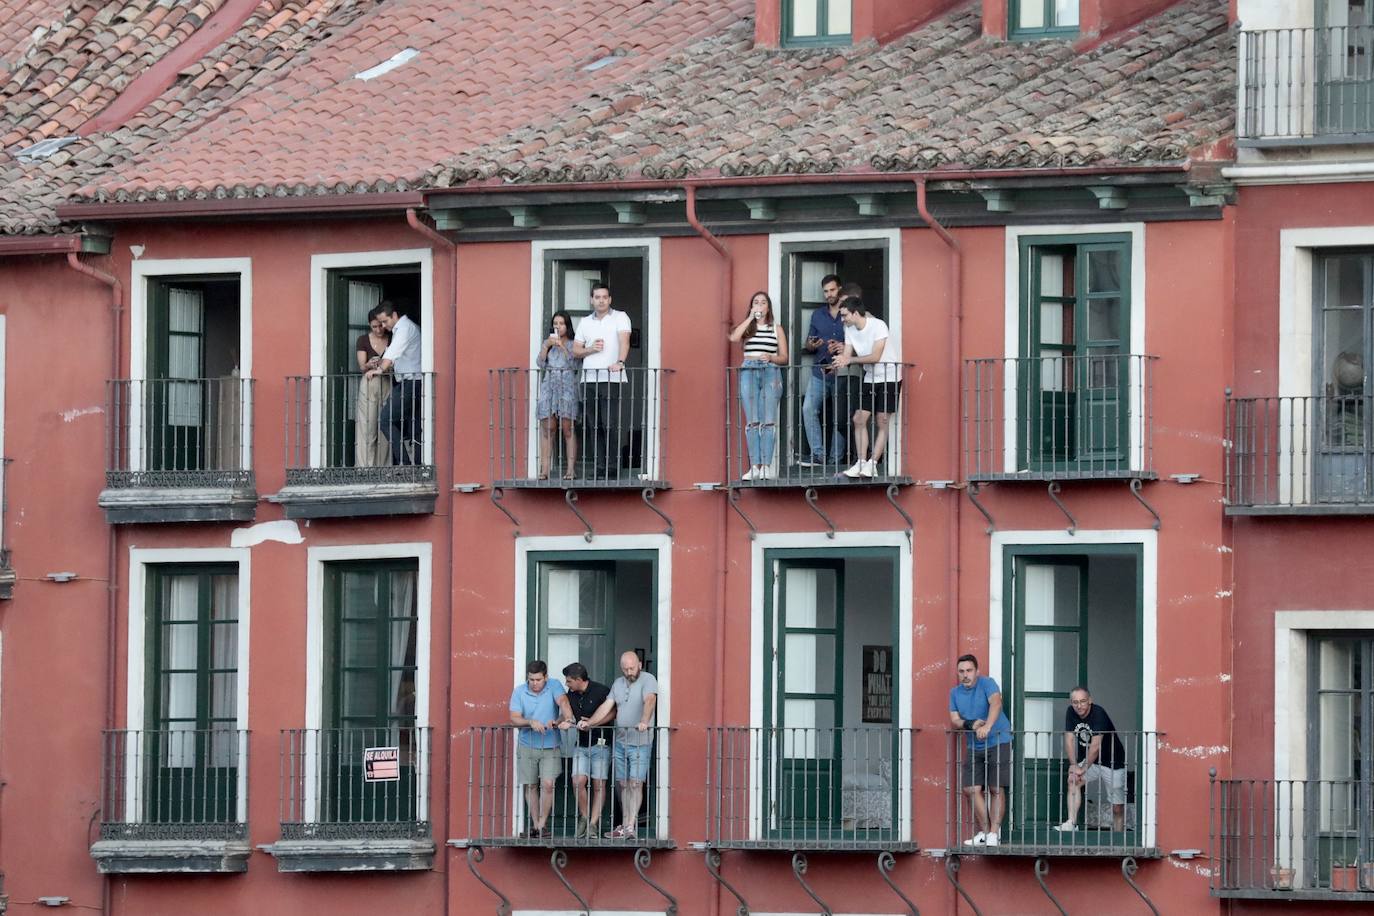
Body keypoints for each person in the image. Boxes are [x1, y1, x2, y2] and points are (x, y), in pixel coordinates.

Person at [833, 297, 902, 479]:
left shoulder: (878, 325)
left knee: (882, 420)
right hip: (870, 377)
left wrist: (850, 360)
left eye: (845, 315)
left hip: (890, 376)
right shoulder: (848, 329)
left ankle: (873, 463)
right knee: (859, 418)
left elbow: (876, 356)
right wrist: (839, 361)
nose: (843, 319)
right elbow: (847, 354)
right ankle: (861, 462)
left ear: (855, 313)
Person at [948, 653, 1013, 847]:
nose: (965, 675)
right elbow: (955, 719)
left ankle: (994, 833)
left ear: (977, 671)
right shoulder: (955, 693)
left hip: (998, 740)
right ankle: (985, 831)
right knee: (971, 789)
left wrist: (987, 726)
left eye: (969, 670)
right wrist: (971, 724)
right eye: (961, 671)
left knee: (995, 788)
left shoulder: (987, 683)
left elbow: (996, 703)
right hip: (974, 745)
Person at [508, 660, 573, 839]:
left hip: (550, 745)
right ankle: (537, 826)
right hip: (527, 745)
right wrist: (530, 722)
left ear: (546, 677)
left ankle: (542, 824)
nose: (534, 683)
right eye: (531, 680)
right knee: (531, 785)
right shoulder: (519, 691)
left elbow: (564, 703)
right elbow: (514, 718)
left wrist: (566, 719)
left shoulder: (554, 685)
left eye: (538, 679)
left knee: (548, 784)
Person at [572, 284, 632, 479]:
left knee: (610, 424)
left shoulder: (620, 317)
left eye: (604, 297)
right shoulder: (584, 322)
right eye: (597, 297)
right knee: (593, 425)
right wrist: (591, 349)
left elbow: (625, 341)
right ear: (591, 299)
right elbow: (576, 351)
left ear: (610, 299)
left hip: (611, 379)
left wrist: (620, 362)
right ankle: (599, 468)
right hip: (588, 380)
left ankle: (612, 468)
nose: (601, 300)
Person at [728, 291, 789, 481]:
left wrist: (771, 357)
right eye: (756, 302)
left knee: (768, 421)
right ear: (752, 306)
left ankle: (766, 467)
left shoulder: (776, 329)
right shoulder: (747, 328)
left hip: (770, 371)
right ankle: (754, 466)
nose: (759, 305)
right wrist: (750, 317)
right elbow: (734, 338)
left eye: (763, 303)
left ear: (768, 308)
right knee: (752, 421)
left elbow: (785, 358)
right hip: (749, 371)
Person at [1055, 686, 1128, 833]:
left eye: (1082, 701)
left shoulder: (1098, 713)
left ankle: (1119, 837)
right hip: (1091, 761)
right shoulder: (1071, 712)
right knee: (1073, 780)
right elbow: (1069, 739)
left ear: (1090, 701)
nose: (1079, 706)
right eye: (1075, 702)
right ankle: (1071, 823)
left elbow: (1095, 746)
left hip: (1113, 762)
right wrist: (1074, 765)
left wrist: (1082, 768)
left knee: (1117, 807)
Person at [559, 662, 616, 839]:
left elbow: (613, 713)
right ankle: (584, 817)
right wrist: (562, 721)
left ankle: (593, 823)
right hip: (581, 744)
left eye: (569, 681)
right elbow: (569, 714)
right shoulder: (572, 693)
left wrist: (592, 723)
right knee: (578, 781)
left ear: (578, 680)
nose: (567, 684)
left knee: (599, 784)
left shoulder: (601, 690)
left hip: (601, 743)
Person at [606, 650, 658, 839]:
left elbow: (650, 700)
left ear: (640, 665)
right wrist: (591, 723)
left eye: (632, 668)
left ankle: (630, 825)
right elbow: (608, 706)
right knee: (623, 784)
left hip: (640, 742)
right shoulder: (618, 684)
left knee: (636, 783)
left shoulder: (648, 679)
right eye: (625, 669)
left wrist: (644, 721)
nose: (629, 672)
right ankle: (625, 824)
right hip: (620, 741)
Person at [367, 301, 424, 465]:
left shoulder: (404, 328)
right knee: (415, 423)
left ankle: (404, 463)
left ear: (394, 315)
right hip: (412, 382)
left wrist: (381, 369)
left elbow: (393, 351)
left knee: (385, 419)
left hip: (411, 382)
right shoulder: (404, 328)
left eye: (385, 321)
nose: (383, 326)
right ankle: (417, 464)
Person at [801, 274, 848, 470]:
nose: (829, 294)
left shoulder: (849, 313)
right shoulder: (817, 315)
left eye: (832, 290)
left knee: (841, 414)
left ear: (840, 289)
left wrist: (843, 346)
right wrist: (812, 344)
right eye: (826, 291)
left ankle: (835, 459)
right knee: (808, 409)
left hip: (842, 371)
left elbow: (861, 340)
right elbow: (808, 344)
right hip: (819, 371)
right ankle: (818, 455)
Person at [537, 310, 580, 480]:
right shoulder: (547, 343)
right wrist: (546, 346)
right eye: (555, 323)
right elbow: (540, 363)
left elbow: (574, 363)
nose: (558, 327)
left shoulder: (573, 344)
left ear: (567, 325)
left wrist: (562, 347)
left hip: (567, 387)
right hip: (549, 387)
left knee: (567, 429)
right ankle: (545, 470)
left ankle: (570, 470)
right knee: (548, 428)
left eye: (561, 323)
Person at [354, 305, 392, 467]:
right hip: (369, 383)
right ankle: (365, 467)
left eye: (380, 325)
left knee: (385, 424)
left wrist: (385, 366)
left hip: (387, 381)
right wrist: (369, 364)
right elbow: (361, 367)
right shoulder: (363, 340)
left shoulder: (391, 338)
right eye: (374, 326)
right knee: (367, 426)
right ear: (370, 325)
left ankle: (383, 466)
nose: (378, 330)